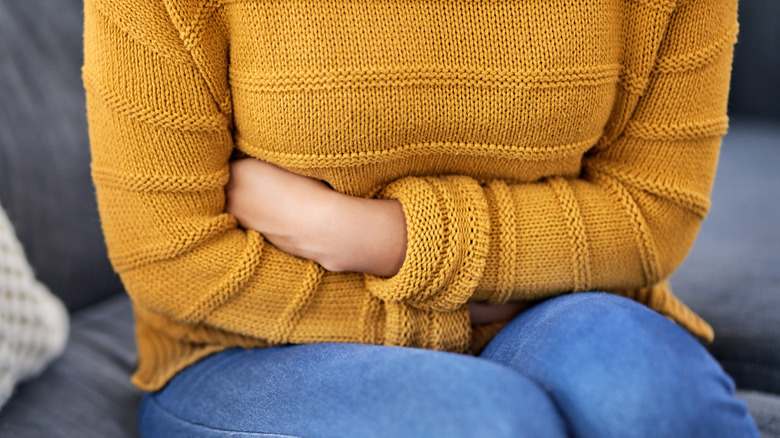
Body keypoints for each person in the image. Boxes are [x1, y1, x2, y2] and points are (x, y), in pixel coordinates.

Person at [83, 0, 758, 436]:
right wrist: (469, 306)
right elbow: (170, 256)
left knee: (659, 403)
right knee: (486, 425)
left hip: (557, 311)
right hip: (253, 349)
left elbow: (651, 214)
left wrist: (364, 236)